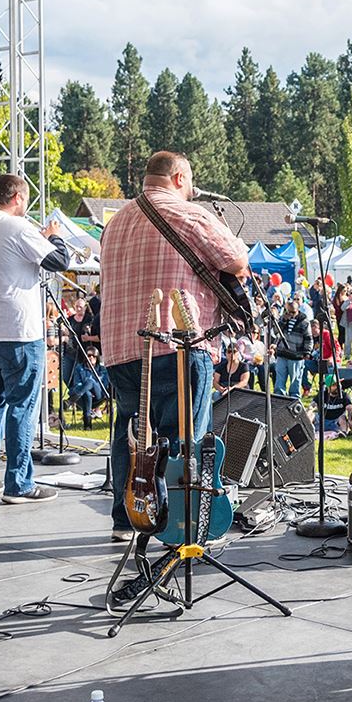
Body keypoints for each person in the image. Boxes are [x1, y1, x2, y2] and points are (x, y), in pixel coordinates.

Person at [100, 151, 249, 541]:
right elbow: (236, 259)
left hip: (120, 347)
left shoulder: (115, 222)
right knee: (181, 440)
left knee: (131, 434)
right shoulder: (190, 213)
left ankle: (128, 517)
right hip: (176, 340)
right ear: (180, 177)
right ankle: (178, 525)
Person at [0, 174, 70, 504]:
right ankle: (19, 483)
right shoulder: (18, 228)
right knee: (22, 407)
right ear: (18, 199)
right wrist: (55, 236)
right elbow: (59, 261)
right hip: (17, 332)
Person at [272, 296, 313, 397]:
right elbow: (276, 332)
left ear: (297, 310)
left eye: (293, 312)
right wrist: (283, 321)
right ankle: (279, 396)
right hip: (282, 353)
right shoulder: (283, 318)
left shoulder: (304, 321)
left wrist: (307, 352)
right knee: (280, 377)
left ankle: (294, 397)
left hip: (296, 355)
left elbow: (308, 338)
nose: (291, 315)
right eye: (289, 312)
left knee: (295, 379)